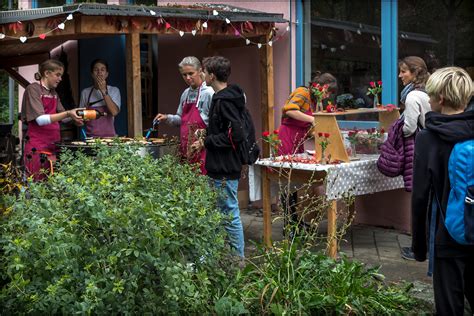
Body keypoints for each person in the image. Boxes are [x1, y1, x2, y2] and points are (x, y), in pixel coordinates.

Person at [411, 67, 474, 315]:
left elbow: (419, 196)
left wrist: (419, 247)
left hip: (448, 233)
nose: (428, 99)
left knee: (450, 307)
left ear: (442, 99)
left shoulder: (428, 138)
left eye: (431, 94)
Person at [191, 56, 245, 258]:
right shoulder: (223, 97)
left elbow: (236, 135)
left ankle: (238, 260)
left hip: (224, 165)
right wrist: (205, 135)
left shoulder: (224, 100)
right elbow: (224, 130)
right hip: (219, 164)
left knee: (229, 213)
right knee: (217, 211)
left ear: (211, 75)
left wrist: (207, 141)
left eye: (203, 71)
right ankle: (213, 256)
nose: (201, 74)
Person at [277, 72, 337, 236]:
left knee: (295, 181)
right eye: (328, 92)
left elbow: (308, 124)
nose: (327, 96)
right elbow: (289, 110)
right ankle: (288, 223)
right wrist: (312, 120)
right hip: (287, 137)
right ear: (320, 86)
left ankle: (295, 220)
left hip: (298, 139)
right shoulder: (302, 92)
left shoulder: (313, 100)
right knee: (288, 181)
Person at [21, 59, 84, 180]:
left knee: (52, 184)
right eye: (58, 75)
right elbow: (40, 119)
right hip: (37, 146)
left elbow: (63, 118)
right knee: (37, 183)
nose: (60, 79)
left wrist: (76, 118)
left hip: (53, 144)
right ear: (47, 73)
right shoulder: (33, 89)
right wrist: (68, 113)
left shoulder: (54, 93)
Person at [154, 56, 213, 174]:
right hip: (186, 148)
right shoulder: (185, 93)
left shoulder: (209, 93)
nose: (187, 78)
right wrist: (167, 118)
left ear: (200, 70)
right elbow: (181, 119)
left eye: (191, 73)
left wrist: (203, 140)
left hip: (203, 149)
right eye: (184, 75)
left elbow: (214, 124)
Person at [397, 56, 431, 260]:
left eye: (404, 71)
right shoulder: (431, 90)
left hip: (423, 147)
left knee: (420, 199)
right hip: (440, 146)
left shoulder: (412, 96)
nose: (400, 75)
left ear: (415, 72)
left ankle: (418, 249)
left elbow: (409, 128)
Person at [79, 59, 121, 138]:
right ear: (92, 74)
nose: (99, 73)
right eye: (96, 70)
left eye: (102, 70)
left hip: (110, 138)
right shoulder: (85, 92)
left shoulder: (114, 90)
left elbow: (114, 112)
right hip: (91, 138)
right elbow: (81, 116)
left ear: (107, 74)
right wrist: (83, 118)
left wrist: (103, 91)